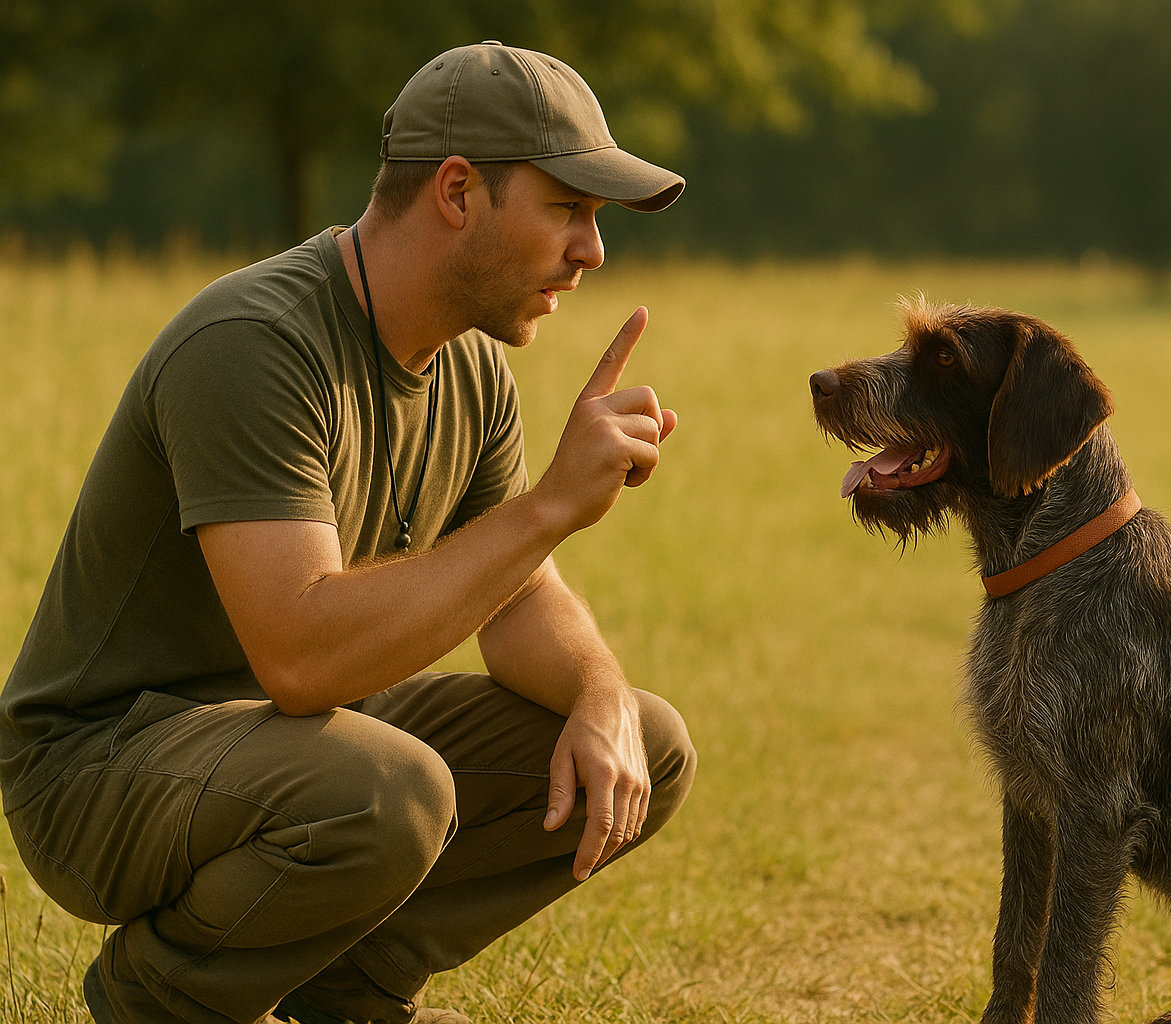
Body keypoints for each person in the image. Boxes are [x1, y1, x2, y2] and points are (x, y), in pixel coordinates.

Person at [0, 41, 696, 1024]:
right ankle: (162, 996)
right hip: (100, 771)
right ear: (458, 190)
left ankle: (349, 992)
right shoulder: (254, 342)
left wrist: (598, 689)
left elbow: (519, 595)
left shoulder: (470, 372)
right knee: (386, 789)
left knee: (645, 744)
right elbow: (301, 657)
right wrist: (547, 507)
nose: (592, 251)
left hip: (302, 757)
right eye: (568, 209)